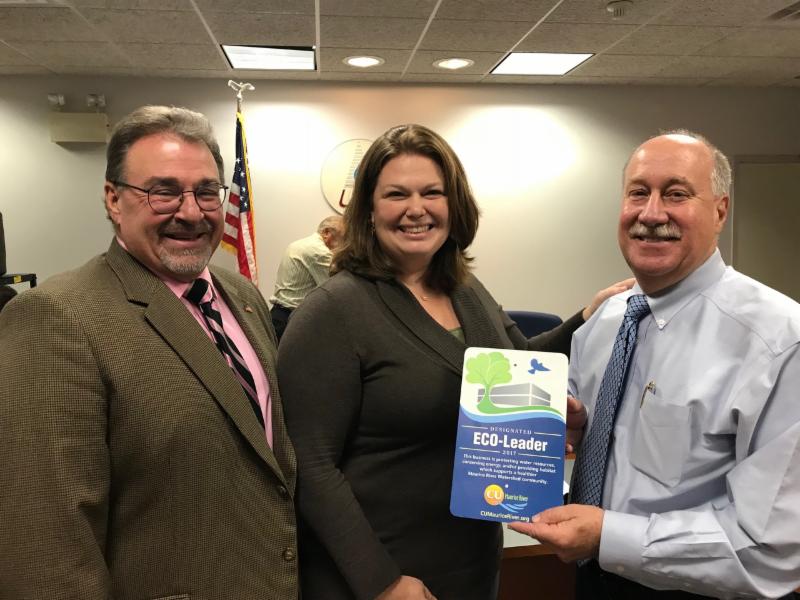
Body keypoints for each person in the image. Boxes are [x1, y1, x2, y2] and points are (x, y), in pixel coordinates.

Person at [276, 123, 632, 600]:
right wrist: (380, 581)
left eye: (432, 192)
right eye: (396, 194)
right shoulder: (333, 311)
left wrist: (586, 318)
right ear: (368, 210)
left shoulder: (465, 290)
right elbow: (310, 465)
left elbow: (519, 363)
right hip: (378, 574)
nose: (416, 209)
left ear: (454, 204)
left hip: (471, 560)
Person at [0, 106, 298, 598]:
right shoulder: (56, 317)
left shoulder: (241, 295)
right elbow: (46, 544)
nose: (191, 211)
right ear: (113, 199)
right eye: (163, 191)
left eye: (206, 191)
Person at [511, 130, 800, 599]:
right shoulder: (606, 320)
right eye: (638, 193)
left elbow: (769, 549)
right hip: (589, 577)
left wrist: (609, 536)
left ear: (720, 210)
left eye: (677, 194)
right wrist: (582, 429)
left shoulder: (778, 342)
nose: (651, 213)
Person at [269, 215, 344, 340]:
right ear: (327, 233)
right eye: (343, 238)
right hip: (291, 321)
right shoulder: (319, 252)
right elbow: (337, 288)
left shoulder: (300, 243)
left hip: (279, 315)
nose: (344, 244)